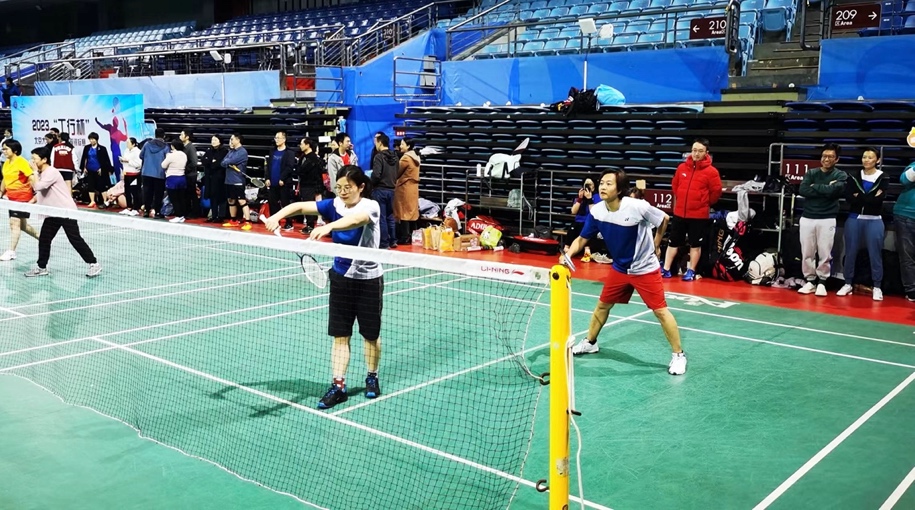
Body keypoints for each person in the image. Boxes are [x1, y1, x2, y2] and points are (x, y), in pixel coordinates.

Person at [264, 165, 382, 409]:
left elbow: (356, 221)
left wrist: (328, 226)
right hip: (340, 278)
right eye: (338, 187)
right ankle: (338, 386)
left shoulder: (370, 206)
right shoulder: (334, 204)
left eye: (347, 187)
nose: (342, 192)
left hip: (368, 279)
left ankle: (372, 376)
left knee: (370, 335)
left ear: (361, 187)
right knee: (341, 335)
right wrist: (277, 216)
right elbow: (299, 206)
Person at [563, 168, 687, 376]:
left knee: (660, 311)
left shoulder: (637, 207)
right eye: (601, 183)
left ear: (620, 189)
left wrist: (656, 244)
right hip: (619, 268)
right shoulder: (597, 211)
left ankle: (679, 355)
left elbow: (664, 218)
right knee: (603, 305)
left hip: (644, 268)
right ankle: (590, 342)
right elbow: (582, 239)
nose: (603, 187)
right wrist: (568, 255)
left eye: (608, 183)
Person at [24, 147, 101, 278]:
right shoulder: (42, 173)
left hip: (66, 211)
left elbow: (38, 187)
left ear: (44, 159)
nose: (32, 161)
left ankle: (94, 263)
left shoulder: (51, 172)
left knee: (74, 238)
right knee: (44, 239)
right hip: (53, 212)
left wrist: (34, 172)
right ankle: (42, 267)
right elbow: (40, 193)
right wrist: (29, 203)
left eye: (34, 159)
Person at [662, 138, 722, 281]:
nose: (696, 154)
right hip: (680, 213)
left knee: (695, 245)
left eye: (700, 151)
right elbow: (675, 186)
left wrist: (703, 202)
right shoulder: (681, 168)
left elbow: (716, 192)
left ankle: (691, 271)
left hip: (698, 215)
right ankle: (666, 269)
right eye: (694, 150)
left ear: (706, 153)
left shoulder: (712, 172)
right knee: (673, 242)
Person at [837, 147, 888, 301]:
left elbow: (879, 200)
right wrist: (869, 197)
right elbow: (849, 198)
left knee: (875, 254)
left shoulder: (883, 177)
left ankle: (877, 286)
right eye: (864, 157)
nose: (866, 160)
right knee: (850, 252)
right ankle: (847, 283)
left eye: (870, 157)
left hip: (875, 220)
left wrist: (859, 196)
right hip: (854, 218)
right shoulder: (853, 176)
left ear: (877, 160)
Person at [797, 143, 848, 297]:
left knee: (825, 252)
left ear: (836, 159)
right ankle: (810, 281)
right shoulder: (811, 173)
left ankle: (822, 282)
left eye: (831, 157)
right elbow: (803, 189)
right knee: (807, 251)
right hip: (807, 217)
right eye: (824, 156)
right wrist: (826, 188)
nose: (826, 159)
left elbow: (836, 191)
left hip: (827, 218)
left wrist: (816, 187)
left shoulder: (840, 175)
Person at [0, 139, 39, 262]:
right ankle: (43, 239)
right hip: (12, 198)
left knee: (14, 224)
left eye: (6, 149)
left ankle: (11, 252)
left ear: (15, 150)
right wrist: (1, 192)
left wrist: (38, 193)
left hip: (22, 197)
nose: (3, 151)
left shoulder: (21, 162)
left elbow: (31, 177)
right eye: (3, 148)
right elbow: (5, 179)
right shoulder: (6, 163)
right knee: (23, 226)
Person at [894, 130, 915, 302]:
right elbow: (904, 180)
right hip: (905, 216)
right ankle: (912, 290)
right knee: (907, 256)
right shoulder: (912, 165)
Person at [371, 132, 398, 249]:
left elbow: (376, 175)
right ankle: (393, 240)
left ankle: (383, 243)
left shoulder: (379, 157)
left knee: (381, 217)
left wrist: (370, 182)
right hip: (392, 190)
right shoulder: (395, 157)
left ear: (380, 143)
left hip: (380, 190)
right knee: (390, 216)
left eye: (376, 142)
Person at [265, 131, 297, 230]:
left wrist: (282, 178)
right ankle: (275, 223)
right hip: (272, 182)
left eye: (278, 138)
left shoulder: (289, 152)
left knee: (285, 203)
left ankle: (289, 222)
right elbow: (268, 166)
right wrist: (267, 178)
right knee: (273, 204)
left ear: (284, 139)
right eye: (276, 138)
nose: (276, 140)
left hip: (284, 183)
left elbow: (289, 167)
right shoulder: (272, 151)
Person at [221, 133, 252, 230]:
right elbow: (223, 163)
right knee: (231, 200)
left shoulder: (242, 152)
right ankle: (233, 221)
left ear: (238, 140)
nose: (230, 141)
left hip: (238, 180)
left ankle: (248, 222)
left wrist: (228, 162)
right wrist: (228, 162)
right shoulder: (231, 151)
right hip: (228, 180)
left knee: (241, 201)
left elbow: (230, 161)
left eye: (232, 139)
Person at [296, 137, 326, 234]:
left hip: (311, 185)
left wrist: (300, 171)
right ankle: (309, 224)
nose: (300, 146)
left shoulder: (313, 158)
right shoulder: (302, 157)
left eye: (302, 144)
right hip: (304, 184)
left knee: (309, 205)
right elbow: (298, 169)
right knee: (305, 204)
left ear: (307, 145)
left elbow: (303, 170)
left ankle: (310, 225)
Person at [394, 138, 421, 245]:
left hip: (404, 187)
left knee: (403, 212)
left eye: (402, 144)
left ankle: (404, 237)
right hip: (413, 188)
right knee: (412, 212)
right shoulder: (416, 157)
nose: (400, 146)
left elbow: (397, 171)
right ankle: (412, 236)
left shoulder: (406, 158)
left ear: (408, 146)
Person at [78, 132, 114, 208]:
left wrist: (102, 168)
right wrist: (84, 167)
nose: (91, 141)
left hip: (99, 171)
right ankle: (92, 201)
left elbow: (106, 160)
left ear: (96, 139)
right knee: (90, 186)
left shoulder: (102, 148)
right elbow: (84, 158)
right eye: (90, 139)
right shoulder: (87, 148)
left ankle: (105, 201)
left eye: (93, 139)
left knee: (102, 186)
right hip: (89, 170)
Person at [139, 128, 169, 218]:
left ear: (155, 134)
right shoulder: (165, 147)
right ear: (164, 136)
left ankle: (146, 211)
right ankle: (157, 212)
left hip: (146, 172)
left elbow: (141, 155)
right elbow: (167, 160)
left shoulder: (147, 144)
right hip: (159, 173)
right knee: (158, 193)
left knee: (147, 192)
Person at [202, 135, 228, 223]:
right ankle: (214, 215)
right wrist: (211, 161)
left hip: (220, 178)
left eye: (215, 140)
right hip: (210, 177)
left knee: (221, 197)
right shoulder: (209, 150)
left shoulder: (224, 151)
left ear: (220, 141)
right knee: (212, 196)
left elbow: (219, 163)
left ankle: (221, 216)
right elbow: (204, 160)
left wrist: (211, 163)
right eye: (212, 140)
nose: (213, 141)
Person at [162, 139, 189, 222]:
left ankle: (178, 215)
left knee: (174, 198)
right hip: (182, 178)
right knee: (181, 198)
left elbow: (163, 165)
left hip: (172, 178)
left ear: (173, 146)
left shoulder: (171, 155)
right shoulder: (184, 155)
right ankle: (182, 215)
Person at [119, 137, 142, 216]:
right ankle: (129, 207)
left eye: (128, 143)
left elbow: (139, 164)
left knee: (135, 192)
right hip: (127, 173)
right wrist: (122, 161)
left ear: (133, 144)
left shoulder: (138, 152)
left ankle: (136, 208)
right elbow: (125, 162)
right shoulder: (126, 151)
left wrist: (128, 161)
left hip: (134, 175)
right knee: (127, 191)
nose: (127, 144)